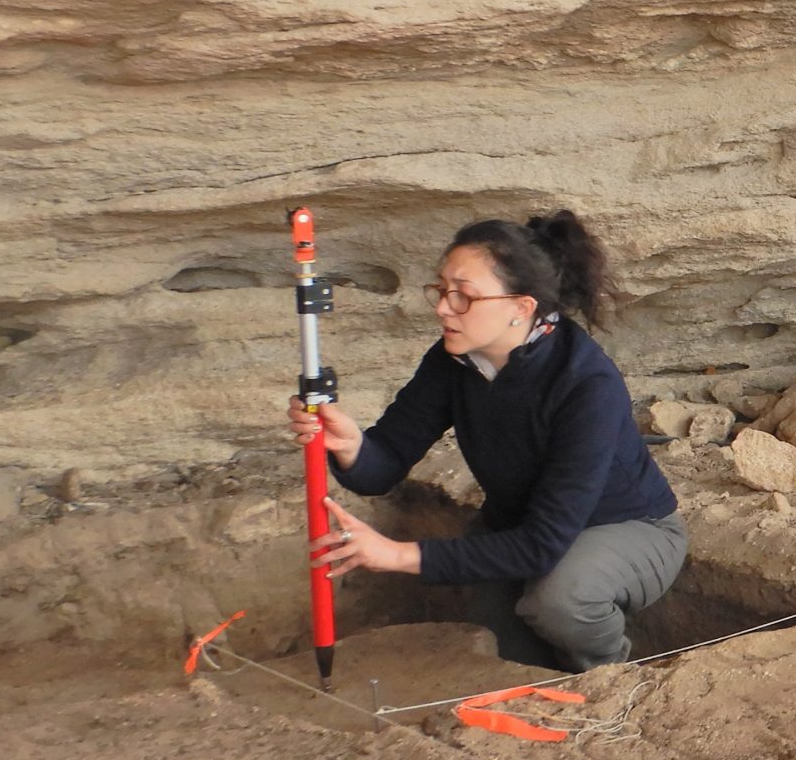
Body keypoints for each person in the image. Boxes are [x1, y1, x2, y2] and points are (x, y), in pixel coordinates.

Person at [289, 209, 686, 671]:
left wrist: (398, 554)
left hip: (628, 529)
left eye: (464, 297)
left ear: (523, 306)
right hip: (522, 528)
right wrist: (351, 444)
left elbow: (542, 544)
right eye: (441, 290)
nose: (442, 307)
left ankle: (608, 678)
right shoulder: (453, 361)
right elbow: (387, 461)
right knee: (506, 648)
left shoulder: (585, 383)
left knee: (557, 599)